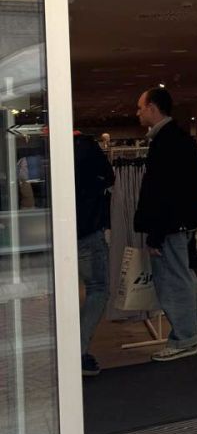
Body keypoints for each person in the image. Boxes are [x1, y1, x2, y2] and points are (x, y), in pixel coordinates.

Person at [133, 87, 197, 361]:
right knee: (183, 274)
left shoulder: (166, 142)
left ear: (152, 108)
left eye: (140, 108)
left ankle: (184, 337)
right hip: (181, 221)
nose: (138, 113)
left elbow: (163, 191)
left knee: (172, 280)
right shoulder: (180, 138)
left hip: (170, 224)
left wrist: (155, 233)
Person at [75, 132, 115, 376]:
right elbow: (108, 178)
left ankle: (72, 349)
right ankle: (77, 350)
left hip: (60, 230)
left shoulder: (48, 147)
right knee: (98, 288)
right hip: (88, 228)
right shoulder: (87, 148)